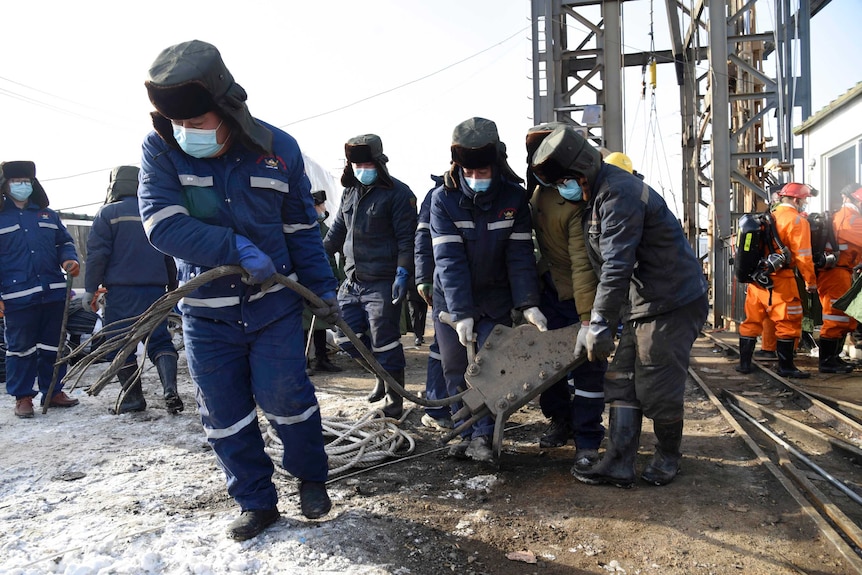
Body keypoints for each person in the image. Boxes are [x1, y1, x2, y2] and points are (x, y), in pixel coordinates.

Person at [137, 40, 339, 541]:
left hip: (273, 307)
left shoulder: (279, 149)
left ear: (228, 111)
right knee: (224, 414)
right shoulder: (159, 148)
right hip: (207, 314)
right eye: (179, 126)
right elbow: (162, 224)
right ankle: (255, 501)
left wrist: (322, 289)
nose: (188, 136)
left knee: (287, 398)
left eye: (198, 125)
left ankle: (311, 479)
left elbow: (300, 230)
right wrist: (234, 247)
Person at [531, 124, 708, 488]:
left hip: (670, 302)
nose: (564, 191)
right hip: (643, 306)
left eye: (566, 181)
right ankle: (619, 461)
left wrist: (597, 323)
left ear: (581, 171)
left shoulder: (618, 194)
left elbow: (616, 265)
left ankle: (668, 456)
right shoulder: (597, 194)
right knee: (621, 381)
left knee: (656, 385)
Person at [431, 117, 548, 462]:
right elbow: (449, 261)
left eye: (485, 172)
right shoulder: (443, 200)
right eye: (472, 173)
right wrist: (461, 313)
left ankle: (483, 436)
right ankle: (462, 431)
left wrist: (528, 303)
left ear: (497, 164)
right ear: (459, 167)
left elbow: (520, 256)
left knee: (490, 366)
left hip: (495, 298)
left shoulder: (514, 198)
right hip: (451, 299)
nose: (478, 179)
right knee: (455, 367)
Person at [525, 123, 606, 472]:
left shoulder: (574, 200)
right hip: (551, 292)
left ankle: (587, 439)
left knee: (587, 367)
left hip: (578, 295)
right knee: (551, 367)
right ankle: (561, 420)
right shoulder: (538, 192)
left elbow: (582, 264)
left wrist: (588, 319)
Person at [324, 134, 417, 419]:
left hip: (382, 281)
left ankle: (394, 400)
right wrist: (312, 258)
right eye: (355, 164)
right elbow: (337, 232)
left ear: (378, 163)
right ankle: (380, 374)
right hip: (352, 282)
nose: (360, 169)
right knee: (346, 337)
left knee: (385, 341)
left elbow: (406, 239)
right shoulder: (349, 193)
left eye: (366, 164)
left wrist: (403, 272)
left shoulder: (398, 194)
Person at [85, 165, 183, 414]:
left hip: (122, 292)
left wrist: (89, 289)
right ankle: (170, 390)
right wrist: (171, 287)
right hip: (154, 290)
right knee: (160, 340)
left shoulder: (108, 213)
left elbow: (98, 255)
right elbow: (168, 253)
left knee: (121, 344)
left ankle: (132, 399)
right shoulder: (153, 211)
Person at [0, 160, 80, 418]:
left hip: (53, 292)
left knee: (54, 346)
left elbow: (64, 243)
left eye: (27, 181)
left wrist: (69, 259)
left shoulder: (48, 215)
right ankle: (23, 397)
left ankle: (54, 391)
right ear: (5, 184)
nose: (22, 185)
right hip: (17, 297)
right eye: (16, 181)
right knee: (20, 348)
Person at [736, 183, 818, 378]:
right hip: (781, 281)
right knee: (788, 322)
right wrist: (810, 281)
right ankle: (786, 367)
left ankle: (744, 364)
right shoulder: (797, 221)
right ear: (797, 200)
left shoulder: (766, 217)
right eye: (805, 200)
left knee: (751, 321)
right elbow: (804, 256)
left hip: (757, 280)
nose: (805, 203)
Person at [414, 175, 453, 430]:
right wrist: (422, 277)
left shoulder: (504, 188)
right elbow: (423, 239)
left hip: (489, 286)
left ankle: (477, 409)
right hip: (445, 281)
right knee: (444, 346)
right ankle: (438, 408)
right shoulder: (437, 194)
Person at [816, 184, 862, 372]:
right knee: (836, 317)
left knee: (843, 318)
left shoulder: (840, 217)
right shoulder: (851, 219)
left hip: (840, 272)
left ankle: (833, 358)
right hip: (837, 273)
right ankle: (827, 362)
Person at [303, 189, 344, 375]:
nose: (324, 208)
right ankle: (303, 362)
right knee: (303, 323)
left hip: (321, 280)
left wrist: (335, 278)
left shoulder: (324, 228)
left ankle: (321, 358)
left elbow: (329, 258)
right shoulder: (303, 226)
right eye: (321, 205)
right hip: (303, 281)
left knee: (321, 321)